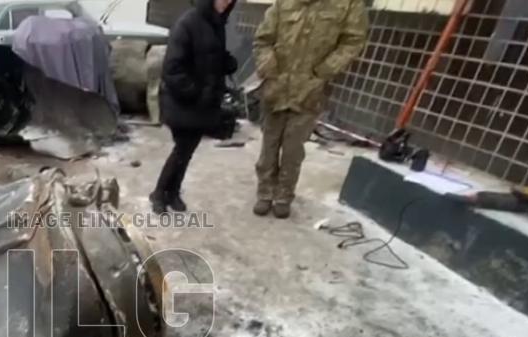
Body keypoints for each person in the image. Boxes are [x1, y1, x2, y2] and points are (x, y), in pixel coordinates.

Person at [253, 0, 368, 219]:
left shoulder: (347, 5)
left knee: (293, 148)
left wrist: (324, 71)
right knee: (269, 144)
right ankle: (265, 192)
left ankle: (283, 195)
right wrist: (268, 64)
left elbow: (353, 41)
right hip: (276, 85)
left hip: (309, 89)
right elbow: (263, 38)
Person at [149, 0, 239, 215]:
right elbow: (172, 69)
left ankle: (173, 192)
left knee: (187, 151)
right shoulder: (188, 23)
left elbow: (207, 57)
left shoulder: (216, 23)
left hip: (203, 105)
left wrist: (225, 63)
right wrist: (196, 93)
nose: (226, 2)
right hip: (184, 102)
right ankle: (159, 193)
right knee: (181, 149)